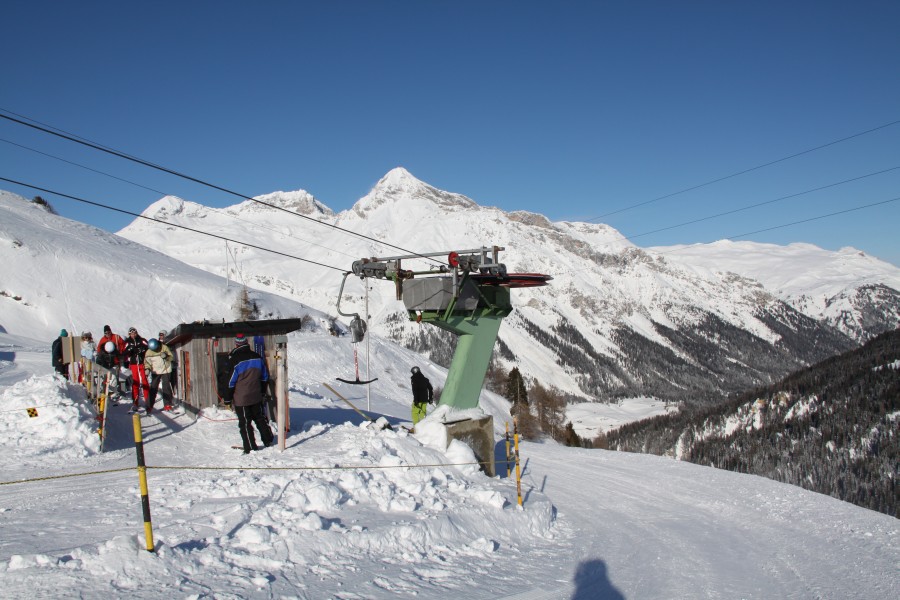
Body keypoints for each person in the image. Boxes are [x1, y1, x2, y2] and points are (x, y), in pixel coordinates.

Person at [224, 333, 274, 453]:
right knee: (259, 418)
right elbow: (264, 377)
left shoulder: (234, 360)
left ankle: (250, 447)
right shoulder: (257, 357)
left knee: (245, 423)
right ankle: (268, 440)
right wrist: (262, 392)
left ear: (236, 344)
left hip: (241, 398)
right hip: (256, 395)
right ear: (246, 343)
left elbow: (230, 382)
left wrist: (227, 399)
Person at [123, 327, 150, 412]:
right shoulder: (128, 342)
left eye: (134, 333)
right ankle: (135, 402)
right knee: (135, 382)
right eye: (132, 334)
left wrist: (143, 349)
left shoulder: (141, 340)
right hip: (134, 364)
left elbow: (148, 347)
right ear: (129, 334)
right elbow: (124, 352)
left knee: (144, 381)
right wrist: (130, 350)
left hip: (142, 363)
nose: (133, 335)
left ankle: (148, 401)